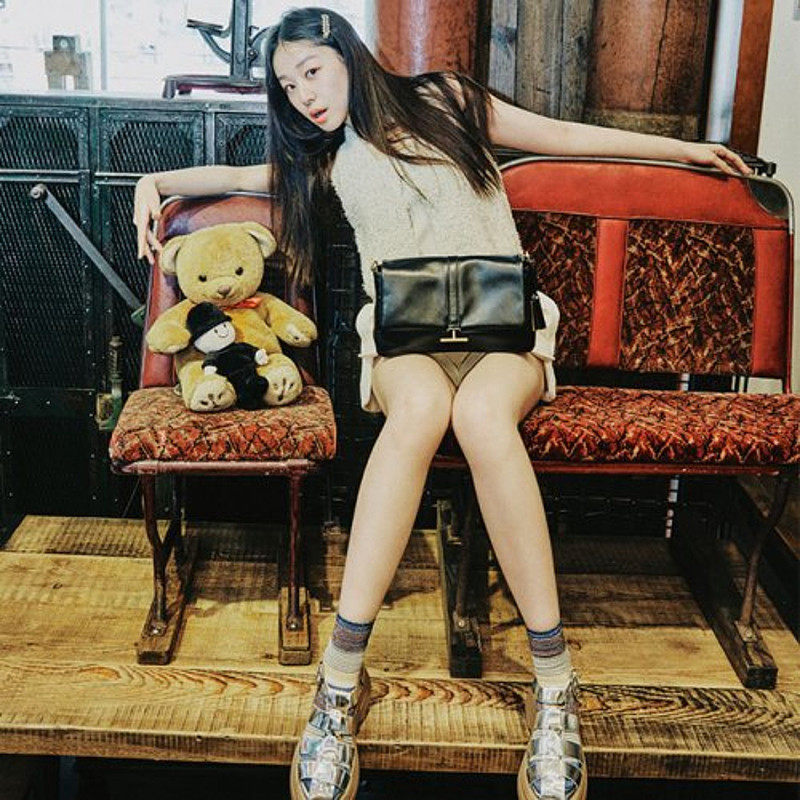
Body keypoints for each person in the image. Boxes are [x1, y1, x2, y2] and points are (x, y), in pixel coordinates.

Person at [133, 7, 752, 800]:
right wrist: (156, 182)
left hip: (502, 331)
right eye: (287, 86)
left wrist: (687, 150)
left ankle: (555, 686)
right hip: (406, 340)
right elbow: (237, 177)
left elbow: (567, 136)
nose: (304, 96)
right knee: (422, 413)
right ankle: (339, 682)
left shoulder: (448, 100)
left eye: (312, 72)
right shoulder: (323, 158)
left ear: (347, 55)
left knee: (484, 418)